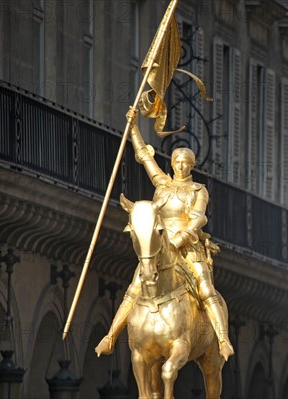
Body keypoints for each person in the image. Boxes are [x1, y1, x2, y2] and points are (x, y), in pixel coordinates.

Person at [95, 107, 234, 361]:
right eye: (176, 162)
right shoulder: (163, 184)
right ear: (172, 164)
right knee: (135, 286)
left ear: (191, 165)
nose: (180, 166)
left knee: (205, 288)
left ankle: (223, 339)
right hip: (158, 245)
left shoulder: (197, 190)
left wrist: (182, 238)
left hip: (187, 245)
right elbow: (144, 157)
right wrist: (134, 127)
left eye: (185, 163)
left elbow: (199, 218)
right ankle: (111, 336)